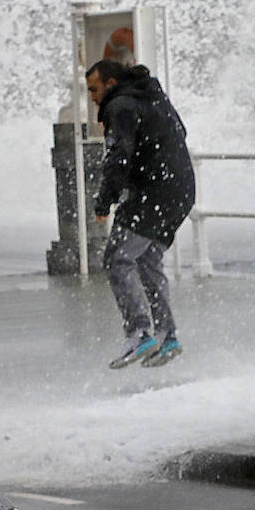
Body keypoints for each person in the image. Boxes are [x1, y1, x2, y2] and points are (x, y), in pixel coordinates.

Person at [85, 59, 196, 369]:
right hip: (181, 192)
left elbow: (118, 156)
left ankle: (139, 333)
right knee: (147, 260)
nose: (92, 97)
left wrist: (104, 202)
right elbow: (181, 131)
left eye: (94, 89)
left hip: (153, 193)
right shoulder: (153, 96)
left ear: (110, 83)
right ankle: (166, 335)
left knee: (117, 258)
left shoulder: (119, 105)